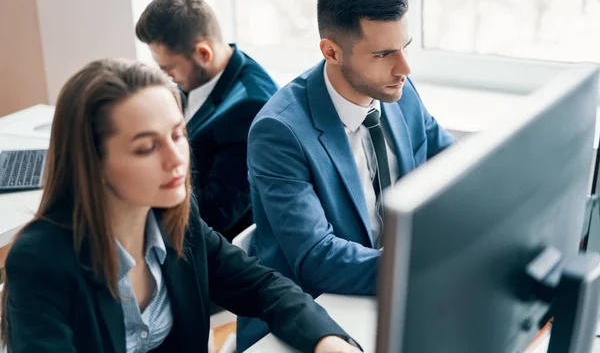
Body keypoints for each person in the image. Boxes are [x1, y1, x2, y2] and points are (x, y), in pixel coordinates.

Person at [0, 59, 362, 353]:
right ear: (93, 162)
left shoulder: (176, 221)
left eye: (177, 135)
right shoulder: (40, 261)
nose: (176, 160)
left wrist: (326, 340)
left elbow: (263, 287)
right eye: (146, 147)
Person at [237, 0, 456, 350]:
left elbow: (452, 165)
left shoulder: (396, 88)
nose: (404, 68)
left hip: (382, 296)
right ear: (331, 51)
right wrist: (418, 268)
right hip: (311, 317)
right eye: (384, 53)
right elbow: (316, 258)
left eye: (404, 47)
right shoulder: (279, 132)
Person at [135, 0, 278, 241]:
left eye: (168, 68)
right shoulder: (203, 76)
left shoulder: (249, 109)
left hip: (205, 242)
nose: (165, 76)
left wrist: (135, 199)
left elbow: (215, 212)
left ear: (204, 53)